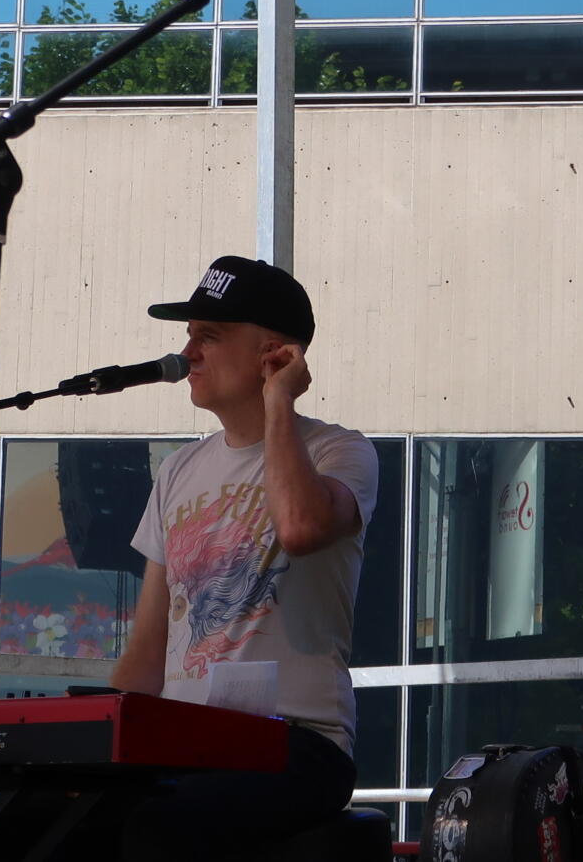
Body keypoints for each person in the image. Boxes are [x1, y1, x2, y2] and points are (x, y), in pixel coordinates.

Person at [108, 255, 379, 858]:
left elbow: (300, 527)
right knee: (45, 820)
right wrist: (96, 741)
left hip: (297, 741)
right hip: (185, 742)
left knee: (159, 828)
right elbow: (148, 650)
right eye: (188, 336)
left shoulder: (340, 452)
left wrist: (279, 401)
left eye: (208, 336)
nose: (187, 353)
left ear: (274, 352)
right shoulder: (178, 471)